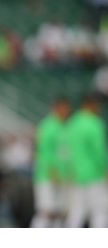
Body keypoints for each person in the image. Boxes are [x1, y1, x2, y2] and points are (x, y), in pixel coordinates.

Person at [64, 92, 108, 228]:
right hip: (94, 174)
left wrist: (67, 170)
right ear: (91, 105)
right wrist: (106, 169)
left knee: (77, 212)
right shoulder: (94, 124)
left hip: (75, 174)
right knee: (100, 210)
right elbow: (99, 152)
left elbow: (64, 151)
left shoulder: (71, 123)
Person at [30, 96, 72, 228]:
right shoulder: (48, 126)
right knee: (46, 212)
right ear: (58, 107)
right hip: (48, 176)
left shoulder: (62, 126)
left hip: (60, 176)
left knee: (59, 212)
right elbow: (43, 152)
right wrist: (52, 171)